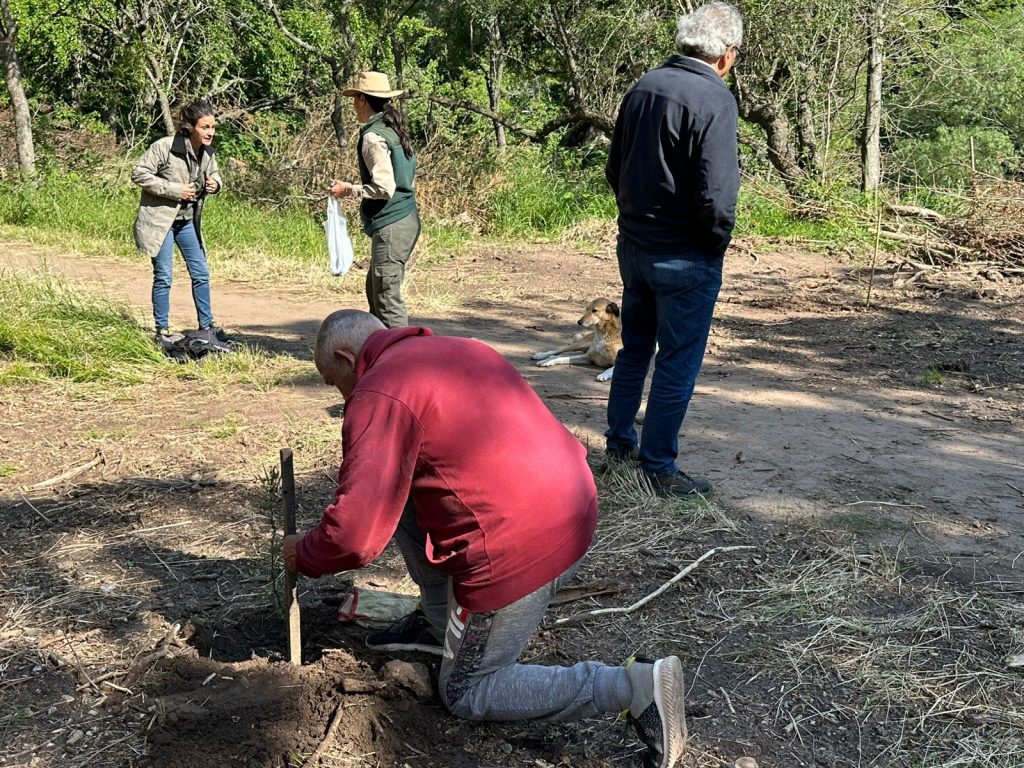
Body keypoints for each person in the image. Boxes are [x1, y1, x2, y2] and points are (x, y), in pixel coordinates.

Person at [282, 310, 689, 768]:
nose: (338, 393)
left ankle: (632, 687)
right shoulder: (458, 350)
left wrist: (303, 553)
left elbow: (355, 537)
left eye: (331, 380)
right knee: (405, 494)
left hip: (522, 545)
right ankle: (442, 627)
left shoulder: (381, 389)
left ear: (344, 356)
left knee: (467, 691)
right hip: (574, 507)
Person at [604, 2, 743, 498]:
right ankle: (658, 467)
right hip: (685, 255)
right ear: (726, 55)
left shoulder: (643, 87)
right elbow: (718, 194)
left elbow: (614, 168)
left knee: (635, 351)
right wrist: (714, 244)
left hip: (637, 247)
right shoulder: (714, 99)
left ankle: (619, 447)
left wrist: (636, 222)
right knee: (677, 362)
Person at [329, 72, 420, 328]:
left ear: (361, 99)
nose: (353, 106)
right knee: (376, 290)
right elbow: (408, 179)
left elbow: (384, 187)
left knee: (386, 298)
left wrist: (348, 189)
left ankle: (401, 359)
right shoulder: (393, 128)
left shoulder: (373, 136)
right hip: (406, 219)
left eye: (354, 99)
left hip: (393, 224)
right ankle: (381, 352)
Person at [131, 100, 224, 345]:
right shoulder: (164, 147)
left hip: (187, 223)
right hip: (161, 224)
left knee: (201, 273)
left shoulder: (207, 152)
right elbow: (139, 173)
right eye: (205, 127)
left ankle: (207, 326)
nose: (210, 132)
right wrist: (174, 190)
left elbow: (214, 174)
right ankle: (162, 331)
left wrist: (216, 184)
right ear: (190, 127)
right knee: (164, 276)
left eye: (213, 127)